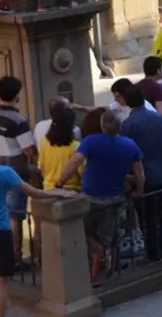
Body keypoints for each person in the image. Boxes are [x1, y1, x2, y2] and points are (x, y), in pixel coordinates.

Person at [0, 129, 73, 317]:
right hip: (0, 229)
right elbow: (35, 193)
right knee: (1, 283)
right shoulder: (4, 172)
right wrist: (60, 193)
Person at [55, 110, 144, 279]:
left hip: (91, 198)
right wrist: (139, 191)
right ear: (120, 127)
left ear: (103, 126)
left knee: (80, 229)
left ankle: (97, 259)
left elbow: (75, 161)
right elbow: (140, 174)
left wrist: (59, 182)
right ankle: (101, 269)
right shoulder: (130, 145)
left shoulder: (90, 142)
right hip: (116, 198)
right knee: (109, 235)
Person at [0, 76, 37, 269]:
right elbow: (28, 150)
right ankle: (15, 258)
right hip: (14, 170)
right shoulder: (19, 120)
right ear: (17, 95)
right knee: (14, 216)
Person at [121, 86, 162, 261]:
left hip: (143, 178)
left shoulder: (129, 124)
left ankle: (152, 253)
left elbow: (127, 155)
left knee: (146, 218)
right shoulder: (159, 118)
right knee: (161, 213)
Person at [39, 106, 82, 191]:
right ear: (72, 126)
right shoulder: (76, 147)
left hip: (48, 189)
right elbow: (82, 173)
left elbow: (42, 168)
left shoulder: (45, 143)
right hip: (71, 191)